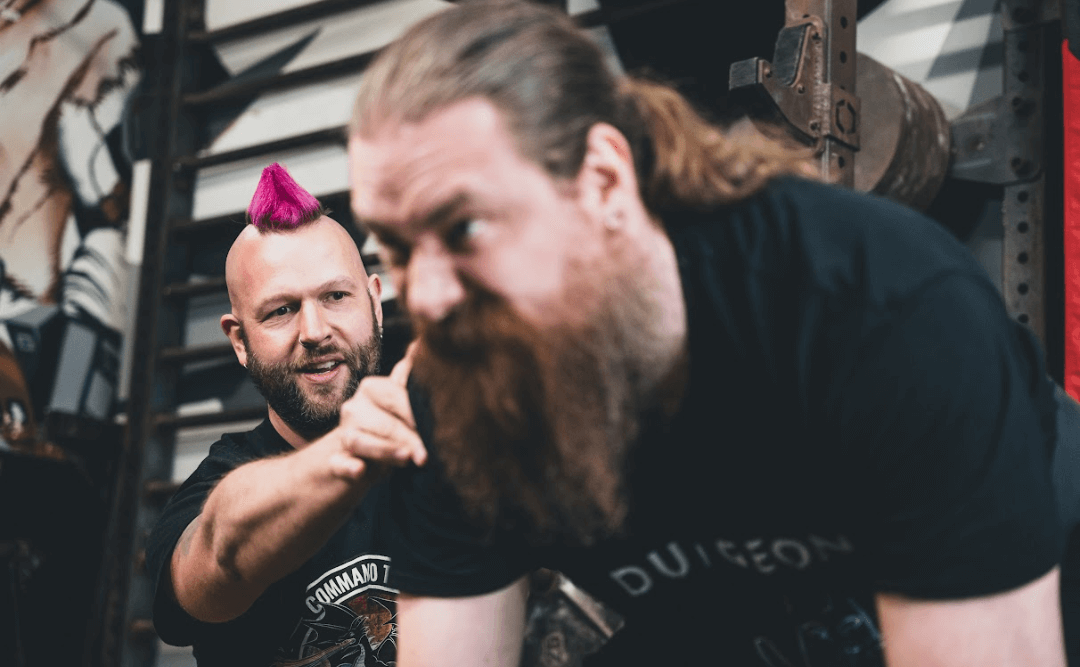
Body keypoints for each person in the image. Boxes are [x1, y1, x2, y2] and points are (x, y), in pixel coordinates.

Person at [344, 1, 1069, 665]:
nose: (430, 298)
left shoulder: (880, 311)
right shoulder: (462, 383)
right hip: (744, 609)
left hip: (1018, 560)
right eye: (398, 248)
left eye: (464, 228)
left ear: (602, 181)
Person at [144, 163, 424, 667]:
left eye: (336, 296)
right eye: (280, 310)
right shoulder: (215, 486)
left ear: (376, 304)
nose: (315, 330)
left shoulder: (447, 449)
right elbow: (219, 555)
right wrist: (347, 455)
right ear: (239, 342)